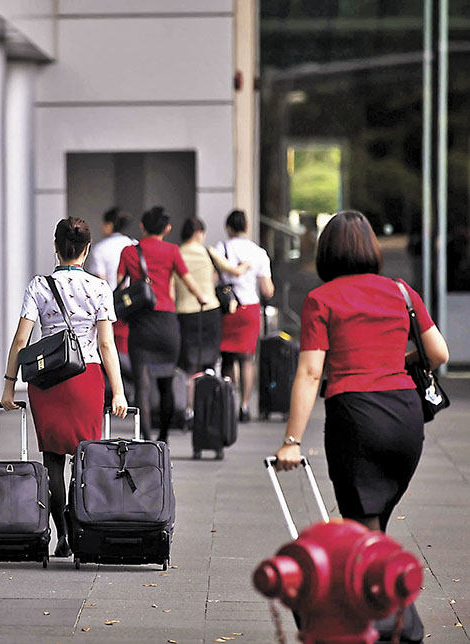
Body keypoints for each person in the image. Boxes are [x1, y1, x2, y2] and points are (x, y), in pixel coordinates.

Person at [274, 210, 449, 642]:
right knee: (373, 525)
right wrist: (396, 362)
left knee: (362, 526)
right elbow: (439, 353)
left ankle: (401, 622)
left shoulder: (322, 298)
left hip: (357, 418)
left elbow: (311, 373)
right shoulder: (401, 291)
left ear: (326, 252)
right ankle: (376, 617)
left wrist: (292, 441)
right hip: (406, 420)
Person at [1, 217, 128, 559]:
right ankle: (80, 524)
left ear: (55, 247)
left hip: (46, 382)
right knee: (85, 456)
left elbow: (20, 340)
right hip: (86, 378)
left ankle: (63, 534)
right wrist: (118, 391)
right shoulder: (100, 288)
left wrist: (9, 387)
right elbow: (106, 345)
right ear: (86, 250)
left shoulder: (38, 286)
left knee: (53, 459)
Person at [116, 206, 207, 442]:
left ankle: (147, 439)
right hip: (167, 324)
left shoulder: (128, 252)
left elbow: (120, 288)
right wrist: (202, 298)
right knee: (166, 383)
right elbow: (189, 282)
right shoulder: (172, 251)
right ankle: (163, 438)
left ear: (142, 227)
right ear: (167, 228)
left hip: (141, 324)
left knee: (142, 387)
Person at [216, 210, 274, 422]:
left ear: (228, 228)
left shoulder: (219, 249)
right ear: (246, 227)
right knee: (248, 359)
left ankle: (228, 403)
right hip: (249, 309)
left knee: (228, 358)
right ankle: (246, 405)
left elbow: (213, 280)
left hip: (227, 309)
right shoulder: (258, 252)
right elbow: (267, 290)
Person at [174, 217, 249, 374]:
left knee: (188, 363)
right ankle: (208, 393)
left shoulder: (177, 254)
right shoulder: (208, 252)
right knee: (209, 362)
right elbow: (234, 271)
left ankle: (190, 395)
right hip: (210, 311)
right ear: (199, 233)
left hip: (184, 313)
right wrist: (247, 264)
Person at [87, 207, 136, 399]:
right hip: (132, 305)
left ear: (109, 224)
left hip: (110, 305)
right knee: (127, 348)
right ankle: (130, 390)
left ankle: (113, 391)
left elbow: (100, 281)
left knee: (107, 347)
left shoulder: (100, 249)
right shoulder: (134, 244)